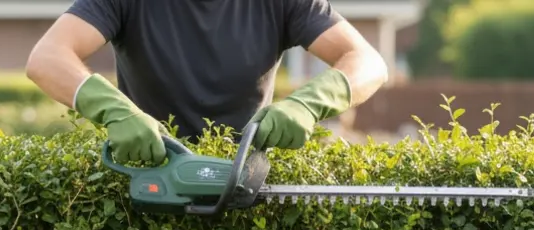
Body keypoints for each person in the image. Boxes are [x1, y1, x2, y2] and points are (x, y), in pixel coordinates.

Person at [26, 0, 390, 164]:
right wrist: (114, 111)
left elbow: (369, 62)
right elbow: (47, 58)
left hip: (245, 188)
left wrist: (306, 104)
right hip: (150, 185)